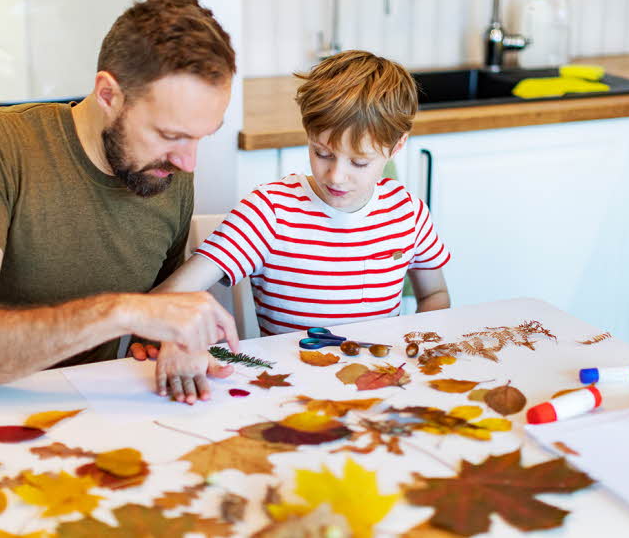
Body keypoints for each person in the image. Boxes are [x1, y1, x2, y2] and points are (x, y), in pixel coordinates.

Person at [0, 0, 240, 398]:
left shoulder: (167, 171)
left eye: (201, 137)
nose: (189, 162)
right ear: (108, 95)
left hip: (79, 410)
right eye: (170, 135)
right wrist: (122, 310)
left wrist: (177, 339)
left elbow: (157, 317)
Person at [152, 50, 451, 404]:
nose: (336, 175)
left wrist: (419, 344)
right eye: (322, 153)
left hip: (379, 387)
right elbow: (165, 299)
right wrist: (178, 339)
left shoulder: (408, 213)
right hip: (290, 393)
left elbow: (434, 295)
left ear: (397, 146)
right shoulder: (270, 212)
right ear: (308, 133)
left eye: (359, 161)